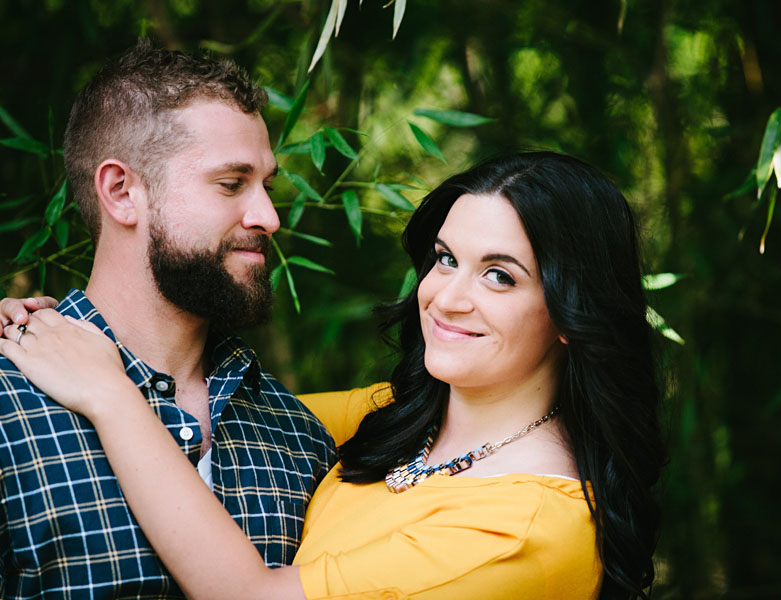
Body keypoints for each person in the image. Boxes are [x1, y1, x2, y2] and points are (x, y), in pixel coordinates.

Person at [1, 152, 665, 599]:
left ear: (572, 314)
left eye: (500, 275)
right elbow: (208, 411)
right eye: (444, 259)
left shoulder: (528, 527)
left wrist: (108, 394)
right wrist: (61, 335)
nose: (448, 297)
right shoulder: (399, 414)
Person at [0, 40, 334, 598]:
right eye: (231, 184)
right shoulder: (10, 407)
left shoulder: (299, 437)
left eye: (267, 186)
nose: (270, 217)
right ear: (122, 192)